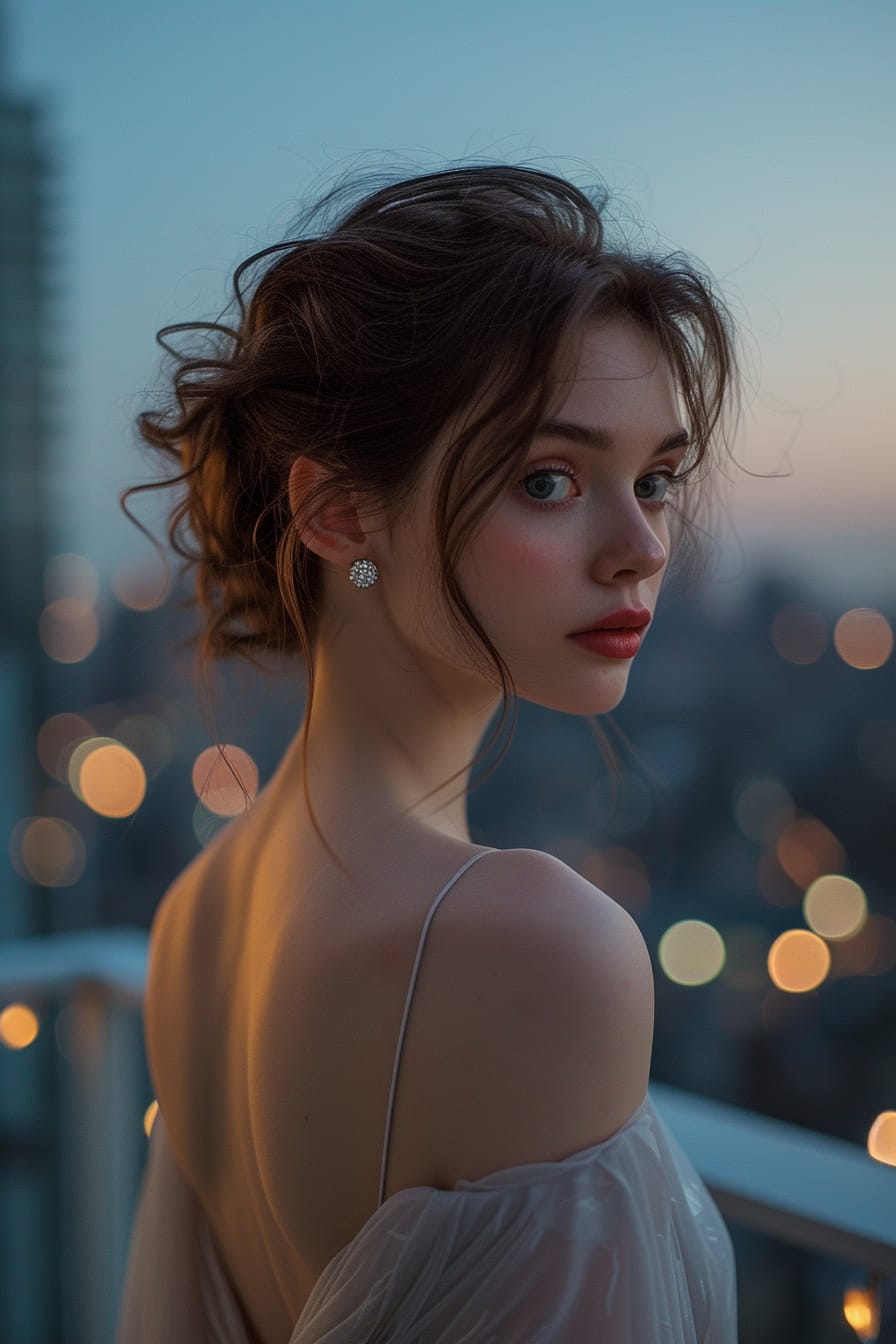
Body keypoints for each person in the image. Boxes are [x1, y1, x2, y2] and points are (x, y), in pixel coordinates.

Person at [115, 162, 740, 1343]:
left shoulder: (194, 914)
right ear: (338, 516)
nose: (639, 548)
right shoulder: (536, 945)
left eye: (654, 479)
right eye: (548, 480)